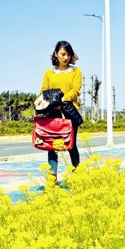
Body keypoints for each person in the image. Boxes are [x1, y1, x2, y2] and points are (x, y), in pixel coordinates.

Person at [40, 40, 82, 183]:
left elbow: (76, 90)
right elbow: (43, 91)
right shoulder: (48, 73)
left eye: (68, 55)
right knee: (52, 146)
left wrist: (62, 100)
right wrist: (41, 105)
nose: (66, 57)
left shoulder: (76, 71)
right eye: (63, 54)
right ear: (56, 54)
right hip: (52, 113)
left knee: (71, 145)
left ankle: (77, 176)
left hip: (70, 111)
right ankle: (52, 179)